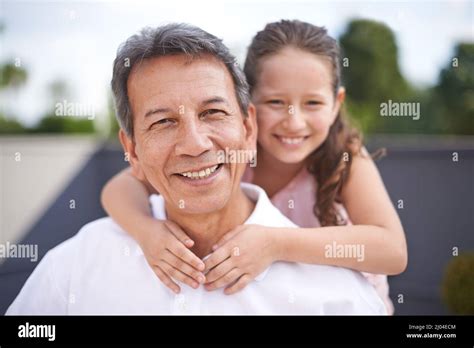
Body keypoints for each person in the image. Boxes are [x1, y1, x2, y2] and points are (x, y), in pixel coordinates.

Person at [7, 23, 386, 315]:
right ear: (132, 151)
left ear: (248, 127)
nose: (195, 144)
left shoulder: (338, 295)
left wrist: (276, 244)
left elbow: (392, 249)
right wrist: (146, 232)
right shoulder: (73, 269)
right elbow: (119, 190)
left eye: (213, 112)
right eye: (163, 122)